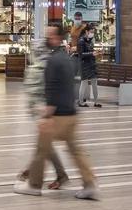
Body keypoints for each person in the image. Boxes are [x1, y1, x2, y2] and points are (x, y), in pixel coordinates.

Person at [15, 25, 96, 199]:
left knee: (41, 149)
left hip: (56, 116)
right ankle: (89, 185)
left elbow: (52, 89)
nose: (47, 37)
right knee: (76, 151)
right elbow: (69, 85)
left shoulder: (53, 61)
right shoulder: (67, 59)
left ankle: (34, 185)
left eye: (50, 35)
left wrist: (47, 113)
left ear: (58, 38)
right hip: (71, 114)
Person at [75, 22, 100, 108]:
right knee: (84, 83)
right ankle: (81, 102)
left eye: (93, 32)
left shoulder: (89, 41)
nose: (92, 33)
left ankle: (96, 102)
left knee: (95, 83)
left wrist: (96, 53)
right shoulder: (81, 41)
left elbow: (91, 51)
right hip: (84, 65)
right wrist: (91, 54)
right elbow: (81, 54)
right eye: (91, 31)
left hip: (92, 64)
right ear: (86, 31)